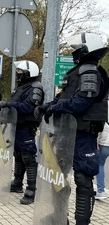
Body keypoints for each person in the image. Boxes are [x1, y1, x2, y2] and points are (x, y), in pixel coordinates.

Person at [35, 33, 109, 225]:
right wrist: (47, 105)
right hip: (66, 134)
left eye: (76, 49)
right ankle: (59, 216)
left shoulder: (91, 73)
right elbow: (63, 98)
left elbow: (81, 102)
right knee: (56, 176)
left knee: (83, 180)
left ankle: (81, 222)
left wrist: (55, 107)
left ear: (86, 50)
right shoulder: (77, 73)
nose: (73, 52)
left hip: (83, 135)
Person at [0, 60, 44, 205]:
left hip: (26, 127)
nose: (19, 74)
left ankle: (32, 190)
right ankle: (17, 183)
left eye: (21, 72)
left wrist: (8, 104)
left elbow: (28, 107)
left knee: (28, 157)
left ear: (30, 73)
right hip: (16, 126)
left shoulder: (36, 88)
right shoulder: (21, 87)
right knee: (18, 156)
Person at [96, 120, 109, 200]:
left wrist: (96, 143)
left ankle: (101, 191)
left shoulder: (104, 122)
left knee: (100, 165)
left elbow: (98, 133)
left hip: (103, 145)